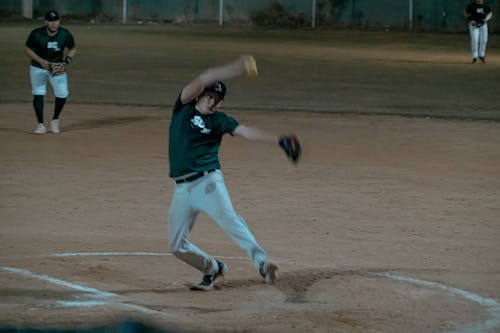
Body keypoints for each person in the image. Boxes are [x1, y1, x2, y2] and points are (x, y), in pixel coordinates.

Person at [167, 55, 299, 291]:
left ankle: (262, 264)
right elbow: (205, 77)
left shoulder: (219, 120)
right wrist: (237, 68)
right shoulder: (183, 108)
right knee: (176, 246)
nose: (214, 102)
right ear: (199, 95)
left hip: (208, 182)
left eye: (218, 99)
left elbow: (245, 131)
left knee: (230, 220)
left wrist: (278, 140)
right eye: (210, 96)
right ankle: (212, 269)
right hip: (183, 188)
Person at [25, 10, 77, 134]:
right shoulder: (37, 34)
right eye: (50, 21)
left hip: (57, 68)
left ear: (59, 21)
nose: (53, 23)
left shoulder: (65, 34)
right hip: (38, 67)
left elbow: (73, 49)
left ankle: (55, 120)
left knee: (62, 93)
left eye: (56, 21)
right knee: (38, 93)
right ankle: (40, 124)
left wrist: (66, 62)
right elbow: (28, 49)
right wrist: (41, 61)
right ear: (46, 22)